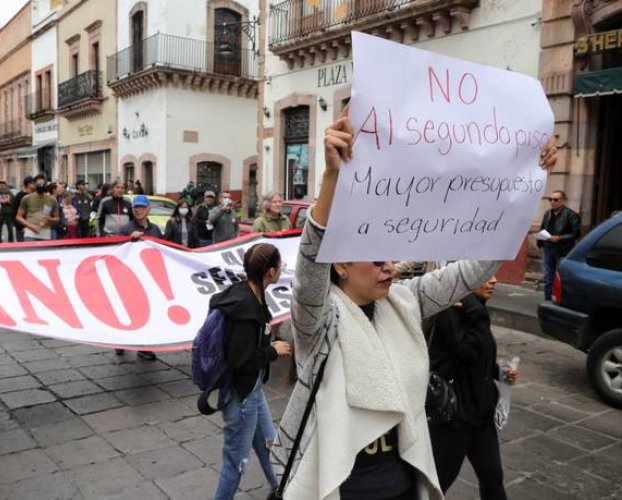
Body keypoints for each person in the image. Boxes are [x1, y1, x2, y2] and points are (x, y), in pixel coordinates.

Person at [269, 110, 558, 499]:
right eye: (376, 260)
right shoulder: (319, 321)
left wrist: (530, 183)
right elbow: (308, 273)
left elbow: (475, 268)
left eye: (391, 257)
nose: (389, 266)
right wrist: (331, 177)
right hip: (343, 490)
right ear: (340, 264)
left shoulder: (405, 301)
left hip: (404, 486)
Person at [212, 243, 292, 499]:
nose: (282, 270)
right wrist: (273, 351)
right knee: (235, 465)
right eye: (279, 266)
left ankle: (280, 490)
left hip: (251, 391)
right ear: (270, 271)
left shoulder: (246, 292)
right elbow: (241, 360)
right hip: (242, 397)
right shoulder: (246, 307)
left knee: (271, 446)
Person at [427, 276, 517, 499]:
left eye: (496, 274)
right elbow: (468, 351)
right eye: (485, 276)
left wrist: (499, 372)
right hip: (454, 420)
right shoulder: (451, 312)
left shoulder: (473, 310)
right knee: (437, 485)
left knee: (493, 479)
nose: (494, 280)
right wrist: (478, 313)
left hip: (482, 416)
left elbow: (479, 357)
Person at [118, 194, 162, 361]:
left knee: (148, 313)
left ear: (148, 209)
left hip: (150, 278)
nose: (138, 210)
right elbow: (116, 250)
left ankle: (144, 346)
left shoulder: (155, 229)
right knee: (128, 312)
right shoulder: (126, 229)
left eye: (142, 207)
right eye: (136, 207)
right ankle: (120, 341)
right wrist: (130, 239)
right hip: (130, 278)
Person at [537, 190, 581, 301]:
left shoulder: (571, 215)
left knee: (562, 277)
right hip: (548, 248)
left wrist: (559, 238)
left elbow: (576, 233)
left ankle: (562, 301)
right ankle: (547, 301)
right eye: (550, 199)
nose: (552, 202)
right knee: (548, 277)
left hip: (563, 250)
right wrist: (540, 241)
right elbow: (543, 228)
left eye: (555, 199)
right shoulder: (548, 213)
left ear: (563, 201)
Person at [15, 175, 59, 242]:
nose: (40, 186)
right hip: (30, 233)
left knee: (45, 252)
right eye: (38, 184)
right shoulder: (26, 198)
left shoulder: (52, 200)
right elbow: (18, 217)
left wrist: (49, 219)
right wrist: (30, 226)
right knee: (30, 252)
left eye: (42, 184)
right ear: (34, 185)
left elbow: (57, 218)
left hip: (45, 233)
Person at [13, 176, 35, 243]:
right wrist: (20, 227)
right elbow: (14, 212)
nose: (35, 185)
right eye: (33, 183)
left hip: (33, 227)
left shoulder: (35, 195)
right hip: (22, 228)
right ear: (29, 184)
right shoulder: (19, 196)